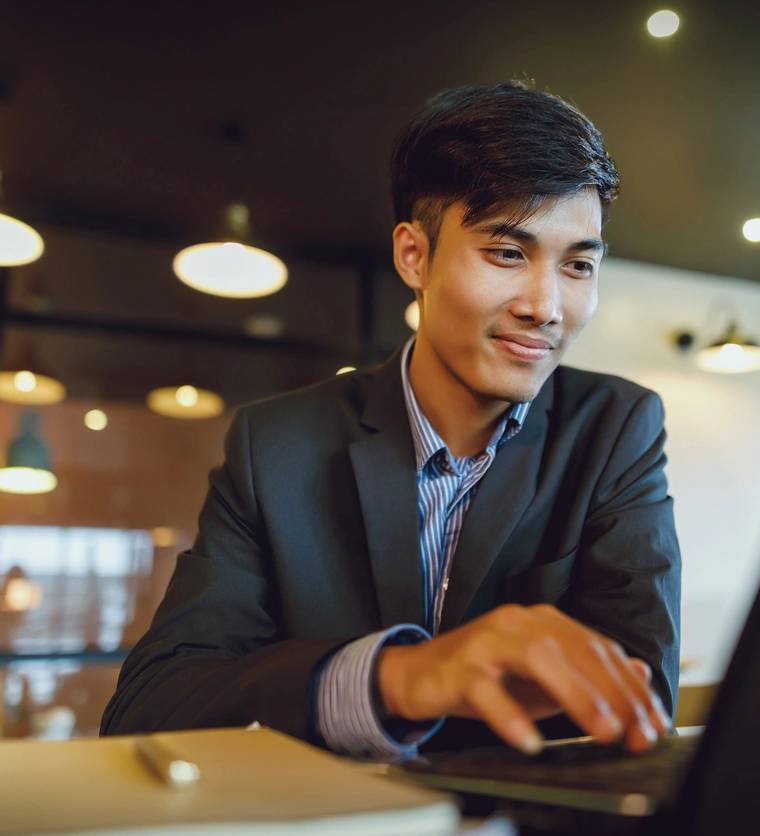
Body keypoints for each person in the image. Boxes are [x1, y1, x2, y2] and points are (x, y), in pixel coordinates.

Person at [101, 80, 681, 759]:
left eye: (578, 264)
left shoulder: (615, 429)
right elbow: (152, 707)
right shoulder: (277, 445)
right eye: (506, 253)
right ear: (415, 255)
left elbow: (642, 707)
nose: (546, 306)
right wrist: (396, 678)